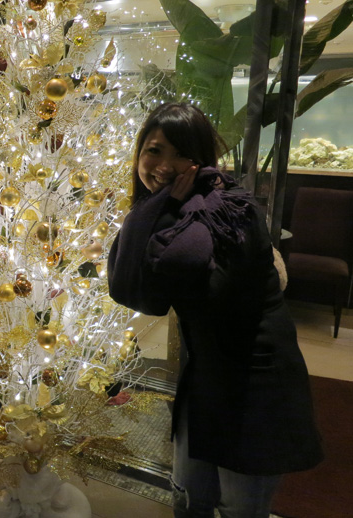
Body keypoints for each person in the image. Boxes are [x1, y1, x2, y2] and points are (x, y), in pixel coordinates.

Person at [107, 102, 323, 518]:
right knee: (189, 499)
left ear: (200, 160)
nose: (163, 165)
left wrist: (159, 209)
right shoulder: (176, 208)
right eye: (154, 150)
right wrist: (161, 208)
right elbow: (134, 288)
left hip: (255, 383)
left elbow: (150, 289)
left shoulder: (226, 209)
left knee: (240, 508)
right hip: (206, 375)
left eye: (180, 153)